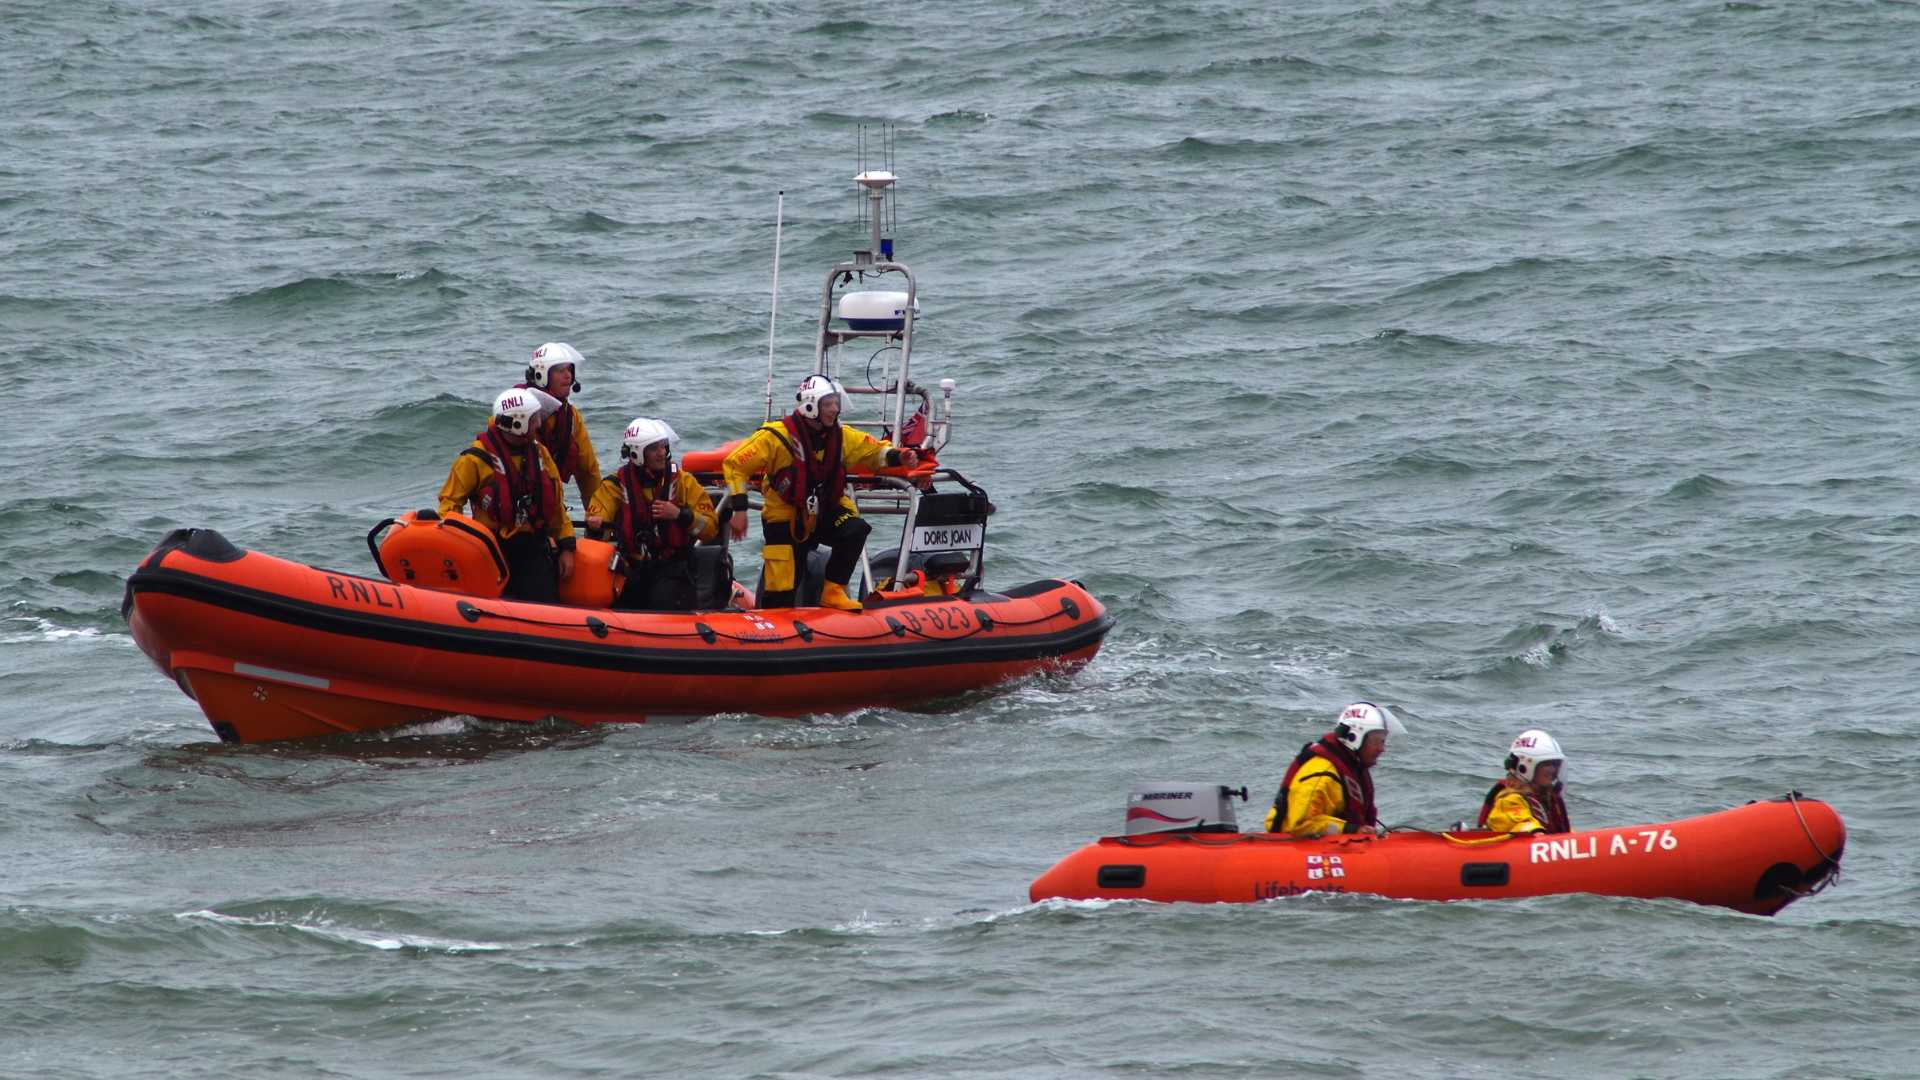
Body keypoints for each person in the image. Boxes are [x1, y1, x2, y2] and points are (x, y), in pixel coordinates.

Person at [719, 374, 918, 612]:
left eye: (836, 402)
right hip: (785, 516)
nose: (835, 409)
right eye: (828, 404)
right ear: (811, 406)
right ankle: (773, 621)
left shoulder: (841, 436)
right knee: (782, 587)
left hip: (824, 510)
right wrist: (740, 510)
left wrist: (899, 456)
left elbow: (873, 452)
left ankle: (833, 591)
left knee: (855, 529)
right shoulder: (776, 437)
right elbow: (735, 465)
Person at [437, 387, 577, 602]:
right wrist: (460, 545)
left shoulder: (540, 453)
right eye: (533, 420)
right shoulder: (475, 459)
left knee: (545, 600)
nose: (539, 424)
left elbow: (557, 506)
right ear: (517, 422)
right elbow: (450, 504)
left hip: (532, 547)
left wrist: (567, 546)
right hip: (491, 550)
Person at [585, 417, 718, 612]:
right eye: (654, 448)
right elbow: (598, 516)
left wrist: (680, 515)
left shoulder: (683, 482)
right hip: (633, 569)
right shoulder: (615, 485)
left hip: (673, 568)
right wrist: (596, 526)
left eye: (663, 447)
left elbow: (710, 528)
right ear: (637, 453)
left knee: (664, 599)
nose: (662, 453)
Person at [1264, 702, 1405, 837]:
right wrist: (1350, 829)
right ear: (1353, 738)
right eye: (1376, 741)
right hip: (1293, 849)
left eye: (1383, 741)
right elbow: (1298, 825)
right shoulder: (1323, 774)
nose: (1382, 749)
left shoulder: (1352, 767)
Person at [522, 342, 601, 511]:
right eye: (560, 370)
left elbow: (588, 472)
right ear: (541, 375)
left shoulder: (571, 417)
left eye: (569, 370)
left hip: (549, 505)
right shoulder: (516, 410)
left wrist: (599, 515)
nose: (568, 376)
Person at [1476, 729, 1572, 835]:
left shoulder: (1548, 799)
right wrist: (1537, 833)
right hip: (1522, 847)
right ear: (1526, 766)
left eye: (1556, 764)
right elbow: (1521, 823)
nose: (1553, 770)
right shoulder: (1509, 801)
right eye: (1547, 764)